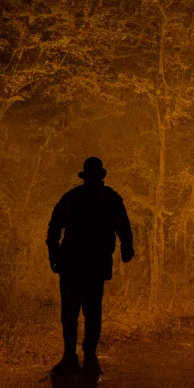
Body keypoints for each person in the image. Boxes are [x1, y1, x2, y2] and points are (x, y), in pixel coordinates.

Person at [46, 157, 135, 373]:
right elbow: (124, 228)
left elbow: (54, 228)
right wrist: (126, 248)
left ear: (84, 176)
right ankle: (88, 356)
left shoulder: (72, 198)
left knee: (71, 312)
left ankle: (71, 355)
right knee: (92, 311)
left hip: (72, 264)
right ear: (101, 176)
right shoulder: (110, 198)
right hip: (94, 264)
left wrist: (54, 255)